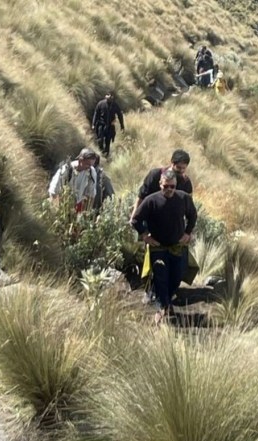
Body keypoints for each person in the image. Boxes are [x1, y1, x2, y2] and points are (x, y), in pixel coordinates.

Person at [131, 169, 197, 324]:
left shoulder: (184, 198)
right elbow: (136, 220)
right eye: (166, 186)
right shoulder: (151, 200)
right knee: (161, 276)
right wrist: (145, 236)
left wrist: (187, 233)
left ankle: (166, 302)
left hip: (177, 246)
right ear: (160, 184)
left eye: (172, 187)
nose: (169, 190)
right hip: (158, 247)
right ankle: (164, 307)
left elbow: (193, 215)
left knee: (177, 275)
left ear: (176, 186)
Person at [130, 149, 193, 220]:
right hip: (150, 217)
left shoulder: (185, 182)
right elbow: (141, 197)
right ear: (172, 163)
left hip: (172, 222)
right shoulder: (155, 175)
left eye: (183, 168)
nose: (181, 171)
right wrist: (134, 217)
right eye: (178, 168)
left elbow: (189, 206)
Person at [48, 147, 98, 213]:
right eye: (87, 164)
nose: (89, 167)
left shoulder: (91, 172)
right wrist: (57, 210)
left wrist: (86, 213)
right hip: (62, 204)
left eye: (91, 165)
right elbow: (53, 191)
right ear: (80, 160)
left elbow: (91, 195)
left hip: (77, 206)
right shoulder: (66, 170)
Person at [92, 91, 125, 157]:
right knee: (100, 140)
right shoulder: (100, 103)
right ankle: (101, 153)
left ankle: (106, 155)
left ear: (112, 97)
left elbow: (119, 115)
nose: (109, 97)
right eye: (108, 95)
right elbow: (96, 113)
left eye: (110, 95)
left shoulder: (115, 105)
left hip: (110, 126)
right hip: (101, 125)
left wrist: (122, 126)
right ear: (105, 96)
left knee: (108, 142)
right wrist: (93, 124)